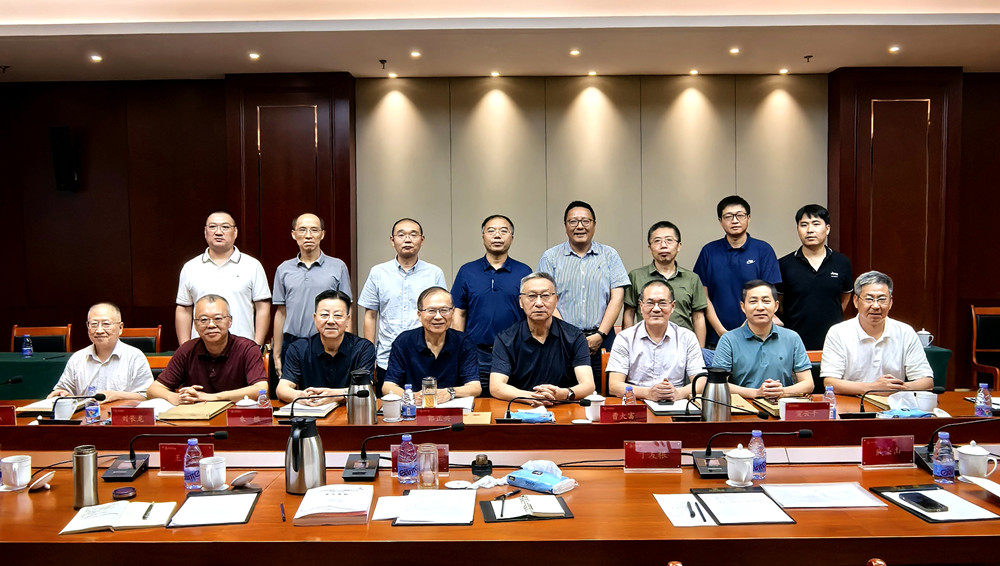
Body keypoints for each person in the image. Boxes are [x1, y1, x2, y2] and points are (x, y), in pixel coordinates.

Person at [537, 200, 629, 376]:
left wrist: (600, 335)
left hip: (602, 339)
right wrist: (569, 336)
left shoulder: (610, 255)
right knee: (562, 390)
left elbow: (617, 298)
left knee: (604, 389)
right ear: (565, 226)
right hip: (561, 340)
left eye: (586, 221)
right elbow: (545, 298)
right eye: (573, 221)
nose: (580, 226)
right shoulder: (550, 257)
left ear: (594, 224)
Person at [358, 218, 447, 386]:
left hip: (425, 356)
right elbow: (370, 316)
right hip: (387, 357)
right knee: (388, 401)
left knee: (426, 401)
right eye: (401, 235)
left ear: (422, 240)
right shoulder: (378, 272)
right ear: (392, 240)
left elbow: (442, 313)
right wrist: (369, 357)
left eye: (413, 234)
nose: (407, 239)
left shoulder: (434, 273)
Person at [451, 214, 532, 395]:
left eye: (503, 231)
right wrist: (459, 347)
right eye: (491, 231)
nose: (497, 235)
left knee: (513, 401)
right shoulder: (467, 271)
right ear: (483, 237)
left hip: (515, 353)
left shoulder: (524, 271)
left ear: (512, 237)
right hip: (477, 354)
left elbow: (531, 312)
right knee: (477, 401)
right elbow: (459, 312)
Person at [490, 272, 596, 405]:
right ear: (521, 301)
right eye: (532, 296)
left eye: (545, 296)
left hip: (563, 407)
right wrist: (532, 397)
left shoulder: (574, 336)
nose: (539, 303)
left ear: (556, 300)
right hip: (521, 407)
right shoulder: (506, 339)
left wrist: (563, 394)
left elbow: (588, 385)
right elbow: (496, 387)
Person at [820, 271, 934, 394]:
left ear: (890, 302)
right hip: (852, 401)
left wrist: (896, 388)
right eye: (869, 299)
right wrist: (874, 388)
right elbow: (830, 383)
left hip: (892, 402)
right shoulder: (838, 332)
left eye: (882, 299)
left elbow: (926, 382)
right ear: (856, 301)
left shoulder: (905, 332)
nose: (875, 306)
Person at [693, 195, 781, 346]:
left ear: (748, 218)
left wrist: (743, 331)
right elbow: (703, 297)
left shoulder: (763, 250)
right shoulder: (709, 251)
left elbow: (768, 296)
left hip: (757, 337)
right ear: (720, 221)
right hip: (716, 339)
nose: (734, 220)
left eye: (740, 215)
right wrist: (722, 332)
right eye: (728, 216)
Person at [148, 294, 267, 404]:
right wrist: (174, 397)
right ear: (195, 325)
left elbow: (261, 389)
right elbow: (153, 390)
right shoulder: (187, 350)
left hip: (236, 415)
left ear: (229, 321)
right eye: (204, 320)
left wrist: (212, 397)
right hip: (197, 416)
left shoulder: (247, 348)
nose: (211, 325)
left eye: (218, 318)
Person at [272, 213, 352, 376]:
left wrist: (347, 348)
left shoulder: (338, 266)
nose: (308, 235)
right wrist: (276, 354)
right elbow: (281, 313)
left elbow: (346, 311)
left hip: (328, 343)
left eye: (314, 230)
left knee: (326, 389)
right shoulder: (283, 269)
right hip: (292, 343)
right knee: (290, 389)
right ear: (293, 234)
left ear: (322, 234)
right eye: (302, 230)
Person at [176, 211, 271, 345]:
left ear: (235, 232)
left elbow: (262, 308)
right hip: (200, 348)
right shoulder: (190, 267)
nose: (218, 232)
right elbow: (184, 309)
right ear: (205, 232)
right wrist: (185, 347)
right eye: (212, 227)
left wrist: (256, 346)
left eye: (225, 227)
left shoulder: (252, 266)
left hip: (242, 348)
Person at [712, 280, 813, 400]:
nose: (760, 307)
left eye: (766, 301)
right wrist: (756, 393)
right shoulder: (728, 340)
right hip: (743, 406)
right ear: (743, 307)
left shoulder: (792, 337)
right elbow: (718, 384)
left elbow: (808, 383)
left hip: (781, 405)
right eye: (753, 301)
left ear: (776, 306)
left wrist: (781, 391)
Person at [608, 280, 705, 402]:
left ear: (673, 306)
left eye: (662, 303)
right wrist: (648, 393)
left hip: (675, 403)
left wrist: (677, 393)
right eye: (650, 303)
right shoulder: (625, 338)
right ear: (641, 306)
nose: (656, 309)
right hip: (637, 403)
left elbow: (701, 383)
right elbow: (614, 386)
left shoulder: (687, 337)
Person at [276, 290, 375, 405]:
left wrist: (334, 395)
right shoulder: (298, 349)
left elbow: (365, 389)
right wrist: (300, 396)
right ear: (315, 318)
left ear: (348, 320)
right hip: (312, 410)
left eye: (338, 315)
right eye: (324, 315)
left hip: (350, 411)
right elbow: (282, 389)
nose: (331, 321)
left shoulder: (363, 348)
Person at [383, 287, 481, 402]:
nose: (438, 317)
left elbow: (475, 387)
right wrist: (412, 397)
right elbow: (388, 386)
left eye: (444, 310)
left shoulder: (464, 342)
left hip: (452, 408)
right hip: (414, 407)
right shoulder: (403, 342)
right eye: (431, 311)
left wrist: (449, 392)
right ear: (419, 315)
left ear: (453, 312)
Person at [778, 204, 853, 350]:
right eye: (804, 225)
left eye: (816, 224)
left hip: (833, 340)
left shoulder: (842, 262)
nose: (810, 230)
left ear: (827, 228)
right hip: (795, 340)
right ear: (798, 229)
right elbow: (779, 304)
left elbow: (844, 299)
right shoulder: (784, 264)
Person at [623, 220, 708, 347]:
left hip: (682, 346)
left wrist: (700, 350)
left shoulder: (692, 278)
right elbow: (629, 314)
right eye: (657, 241)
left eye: (669, 240)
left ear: (679, 246)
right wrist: (629, 346)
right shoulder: (635, 276)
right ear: (650, 248)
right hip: (645, 345)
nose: (663, 245)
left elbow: (698, 317)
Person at [48, 302, 153, 402]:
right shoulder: (77, 358)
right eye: (94, 324)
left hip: (121, 414)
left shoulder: (135, 357)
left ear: (120, 327)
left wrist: (118, 396)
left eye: (106, 324)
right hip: (85, 414)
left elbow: (147, 396)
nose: (99, 330)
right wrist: (61, 394)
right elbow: (64, 390)